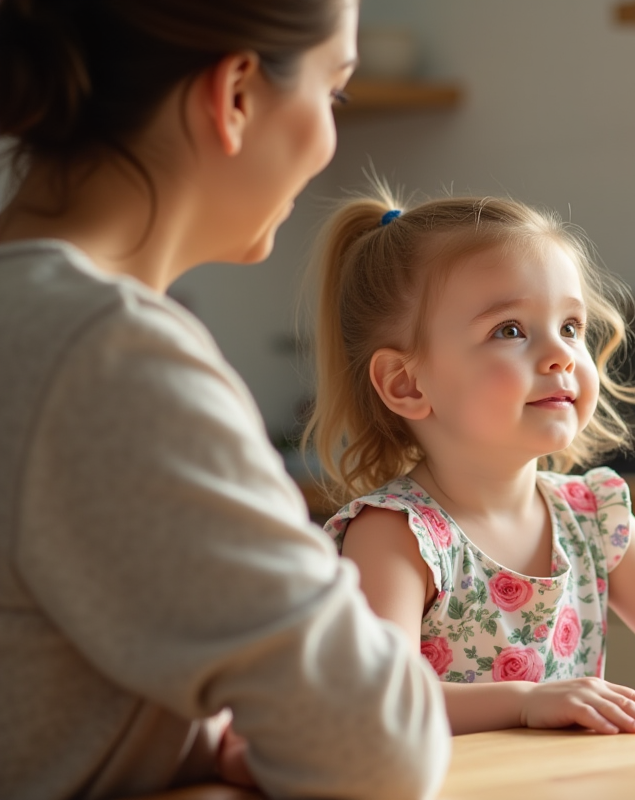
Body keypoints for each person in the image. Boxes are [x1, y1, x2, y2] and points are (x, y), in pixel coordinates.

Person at [0, 2, 450, 798]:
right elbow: (377, 749)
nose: (330, 137)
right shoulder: (105, 357)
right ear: (235, 94)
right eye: (333, 91)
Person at [305, 186, 635, 736]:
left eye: (570, 327)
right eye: (510, 330)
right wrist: (525, 702)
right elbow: (380, 697)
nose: (562, 354)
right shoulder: (396, 534)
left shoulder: (592, 518)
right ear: (407, 383)